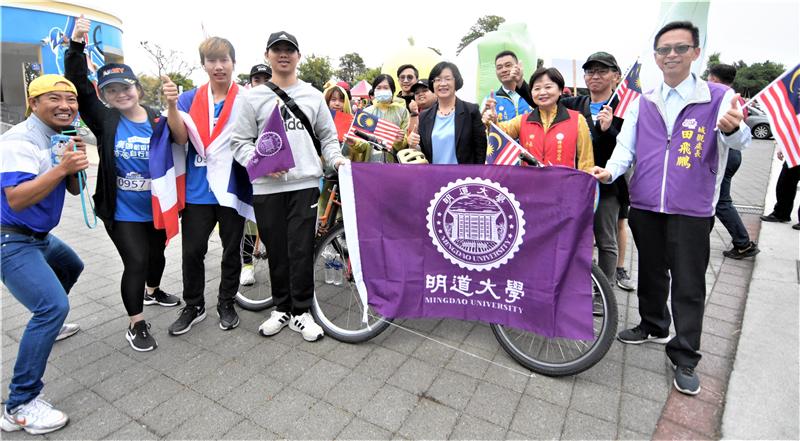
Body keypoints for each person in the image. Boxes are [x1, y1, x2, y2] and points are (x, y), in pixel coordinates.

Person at [591, 21, 751, 396]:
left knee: (689, 281)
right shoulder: (645, 100)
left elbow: (741, 138)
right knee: (651, 271)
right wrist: (609, 171)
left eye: (681, 48)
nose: (672, 55)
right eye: (665, 50)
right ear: (656, 57)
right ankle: (653, 324)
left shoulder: (717, 96)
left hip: (692, 207)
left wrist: (730, 129)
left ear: (696, 53)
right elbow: (625, 148)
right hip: (646, 202)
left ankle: (685, 355)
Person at [64, 16, 180, 352]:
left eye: (126, 87)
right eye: (111, 90)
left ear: (138, 90)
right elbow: (80, 86)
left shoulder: (158, 118)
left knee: (157, 257)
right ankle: (136, 323)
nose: (120, 94)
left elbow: (182, 140)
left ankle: (154, 291)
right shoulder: (105, 119)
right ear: (105, 95)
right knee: (136, 262)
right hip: (122, 210)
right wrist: (76, 46)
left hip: (155, 208)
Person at [231, 31, 347, 342]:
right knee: (277, 249)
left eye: (290, 50)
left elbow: (328, 136)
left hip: (305, 184)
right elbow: (239, 142)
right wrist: (259, 162)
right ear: (268, 55)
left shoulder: (311, 95)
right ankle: (281, 308)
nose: (284, 55)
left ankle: (301, 311)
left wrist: (336, 160)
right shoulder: (251, 98)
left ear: (298, 56)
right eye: (277, 50)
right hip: (267, 188)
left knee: (300, 249)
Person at [0, 75, 89, 434]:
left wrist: (73, 165)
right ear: (33, 103)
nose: (65, 105)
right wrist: (62, 168)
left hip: (38, 237)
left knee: (71, 265)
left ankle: (48, 326)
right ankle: (18, 405)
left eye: (71, 99)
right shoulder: (19, 139)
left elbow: (70, 188)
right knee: (52, 305)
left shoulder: (57, 137)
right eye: (54, 98)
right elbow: (18, 198)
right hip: (11, 239)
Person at [166, 37, 251, 335]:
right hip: (198, 189)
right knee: (192, 251)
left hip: (231, 187)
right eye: (212, 60)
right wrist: (172, 106)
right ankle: (194, 305)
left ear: (233, 63)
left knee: (231, 250)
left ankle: (226, 302)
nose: (218, 66)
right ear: (203, 64)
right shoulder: (190, 98)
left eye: (224, 59)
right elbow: (179, 138)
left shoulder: (246, 98)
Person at [561, 51, 634, 290]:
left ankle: (604, 291)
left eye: (602, 71)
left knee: (605, 239)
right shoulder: (573, 104)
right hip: (576, 184)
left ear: (616, 76)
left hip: (608, 185)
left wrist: (608, 128)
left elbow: (629, 151)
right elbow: (542, 99)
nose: (595, 76)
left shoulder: (626, 110)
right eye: (590, 71)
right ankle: (576, 285)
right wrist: (520, 84)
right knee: (574, 237)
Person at [484, 67, 595, 173]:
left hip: (564, 188)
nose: (542, 92)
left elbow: (586, 163)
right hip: (530, 188)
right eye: (537, 88)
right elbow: (500, 133)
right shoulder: (522, 120)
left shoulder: (577, 120)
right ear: (531, 93)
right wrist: (492, 121)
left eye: (548, 87)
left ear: (560, 90)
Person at [706, 63, 760, 258]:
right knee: (721, 200)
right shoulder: (733, 98)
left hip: (727, 153)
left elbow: (740, 136)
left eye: (709, 77)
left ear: (713, 79)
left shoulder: (725, 99)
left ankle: (743, 243)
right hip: (732, 154)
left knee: (721, 201)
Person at [408, 62, 486, 164]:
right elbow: (422, 153)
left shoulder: (471, 111)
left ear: (456, 82)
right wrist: (413, 144)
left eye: (447, 79)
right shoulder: (424, 116)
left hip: (464, 178)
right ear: (433, 84)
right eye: (438, 80)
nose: (443, 83)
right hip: (434, 177)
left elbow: (481, 150)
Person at [240, 63, 274, 287]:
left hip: (275, 174)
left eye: (266, 80)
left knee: (272, 223)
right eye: (256, 80)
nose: (261, 85)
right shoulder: (244, 104)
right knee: (249, 223)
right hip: (250, 170)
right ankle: (247, 265)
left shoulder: (279, 104)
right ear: (250, 83)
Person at [350, 74, 410, 162]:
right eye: (378, 88)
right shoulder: (366, 113)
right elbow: (363, 145)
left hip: (395, 165)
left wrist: (398, 141)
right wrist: (354, 143)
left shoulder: (402, 112)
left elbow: (404, 146)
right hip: (371, 165)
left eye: (386, 88)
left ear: (392, 90)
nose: (382, 91)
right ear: (374, 91)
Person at [481, 51, 534, 123]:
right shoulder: (489, 100)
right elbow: (482, 127)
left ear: (517, 66)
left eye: (508, 65)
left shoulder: (534, 95)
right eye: (499, 67)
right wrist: (484, 118)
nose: (504, 70)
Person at [761, 152, 800, 230]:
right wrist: (783, 148)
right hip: (795, 151)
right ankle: (781, 213)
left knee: (785, 183)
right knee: (784, 184)